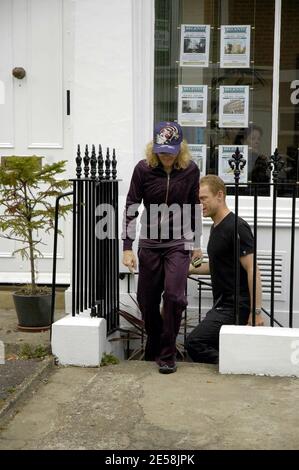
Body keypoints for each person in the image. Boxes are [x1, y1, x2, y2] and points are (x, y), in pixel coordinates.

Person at [122, 121, 202, 374]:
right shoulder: (143, 169)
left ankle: (167, 354)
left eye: (170, 150)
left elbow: (194, 208)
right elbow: (132, 206)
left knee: (175, 297)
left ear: (181, 148)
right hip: (149, 243)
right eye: (161, 150)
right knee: (146, 300)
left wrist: (196, 244)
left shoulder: (190, 170)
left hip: (178, 243)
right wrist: (127, 246)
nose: (166, 155)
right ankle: (155, 340)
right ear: (153, 148)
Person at [185, 175, 264, 365]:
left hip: (235, 307)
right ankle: (233, 366)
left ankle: (236, 365)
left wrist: (256, 312)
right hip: (222, 304)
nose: (200, 204)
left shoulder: (237, 227)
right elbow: (216, 266)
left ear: (219, 195)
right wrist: (186, 269)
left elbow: (253, 269)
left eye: (203, 198)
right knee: (214, 343)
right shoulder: (216, 227)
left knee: (195, 342)